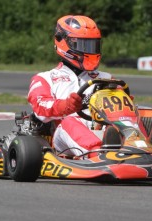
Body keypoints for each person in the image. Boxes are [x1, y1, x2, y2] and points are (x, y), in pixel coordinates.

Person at [27, 15, 112, 158]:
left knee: (138, 113)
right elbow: (40, 109)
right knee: (70, 121)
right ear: (63, 42)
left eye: (93, 45)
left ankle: (144, 147)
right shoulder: (45, 78)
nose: (90, 51)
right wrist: (67, 105)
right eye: (83, 45)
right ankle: (98, 155)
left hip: (103, 128)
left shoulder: (106, 78)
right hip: (64, 137)